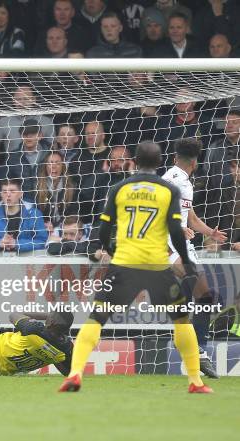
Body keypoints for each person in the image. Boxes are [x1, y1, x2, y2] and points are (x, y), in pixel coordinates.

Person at [59, 141, 213, 394]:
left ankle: (75, 373)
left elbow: (104, 227)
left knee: (97, 318)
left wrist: (109, 250)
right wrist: (186, 262)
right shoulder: (168, 190)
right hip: (157, 268)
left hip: (125, 266)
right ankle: (195, 381)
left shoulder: (120, 188)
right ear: (160, 161)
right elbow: (176, 232)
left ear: (135, 161)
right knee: (182, 321)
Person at [162, 138, 227, 378]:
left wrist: (211, 233)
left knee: (202, 295)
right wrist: (178, 230)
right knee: (197, 290)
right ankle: (195, 348)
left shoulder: (180, 181)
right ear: (196, 162)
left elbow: (191, 219)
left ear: (175, 157)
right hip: (168, 243)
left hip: (181, 244)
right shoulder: (176, 181)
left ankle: (194, 346)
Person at [0, 179, 48, 253]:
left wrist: (17, 244)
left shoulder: (34, 214)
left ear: (21, 194)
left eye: (12, 191)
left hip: (26, 260)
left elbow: (42, 241)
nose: (8, 195)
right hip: (0, 260)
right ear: (0, 194)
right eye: (4, 191)